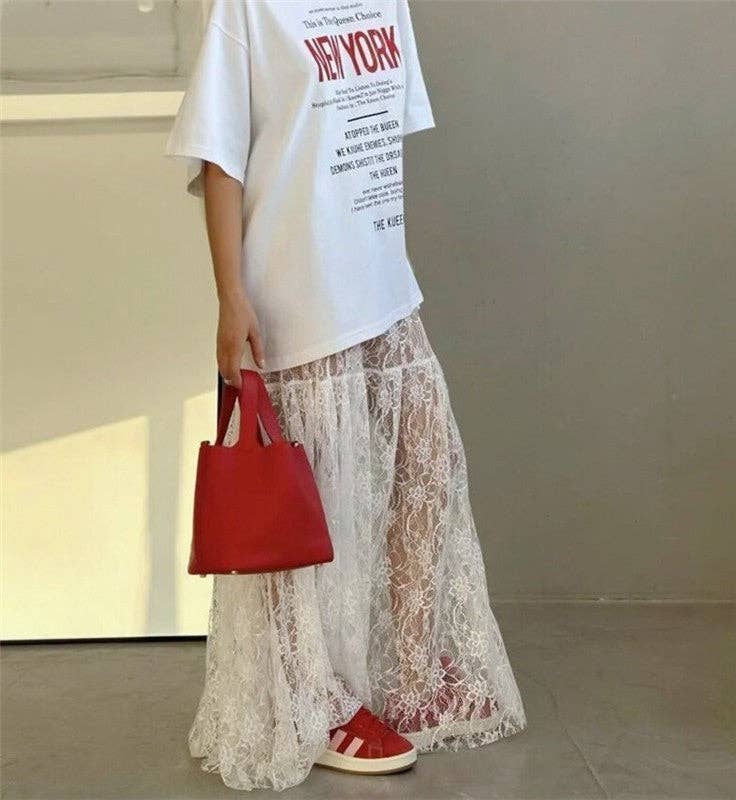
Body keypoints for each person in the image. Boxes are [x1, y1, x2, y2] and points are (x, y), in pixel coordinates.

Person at [163, 0, 527, 791]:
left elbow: (376, 141)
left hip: (382, 283)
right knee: (301, 505)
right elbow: (220, 158)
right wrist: (231, 298)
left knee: (425, 463)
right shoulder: (247, 7)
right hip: (297, 292)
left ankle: (409, 678)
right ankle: (314, 700)